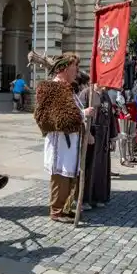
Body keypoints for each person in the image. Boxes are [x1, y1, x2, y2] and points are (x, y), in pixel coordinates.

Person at [33, 53, 92, 224]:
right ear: (65, 68)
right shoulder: (53, 88)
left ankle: (65, 208)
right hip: (60, 141)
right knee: (60, 175)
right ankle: (56, 211)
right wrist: (83, 114)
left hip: (72, 140)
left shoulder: (69, 88)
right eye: (75, 67)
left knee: (69, 175)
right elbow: (58, 117)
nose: (77, 71)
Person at [80, 84, 116, 209]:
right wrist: (87, 133)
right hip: (92, 135)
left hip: (104, 136)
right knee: (90, 167)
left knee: (101, 168)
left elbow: (110, 117)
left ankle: (99, 197)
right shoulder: (86, 93)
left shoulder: (105, 95)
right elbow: (81, 116)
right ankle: (85, 199)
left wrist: (112, 137)